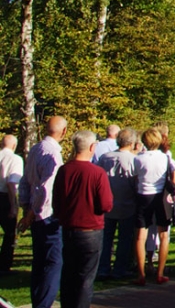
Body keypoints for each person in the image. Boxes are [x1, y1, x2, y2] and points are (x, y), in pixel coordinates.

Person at [53, 130, 113, 308]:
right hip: (90, 230)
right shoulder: (97, 173)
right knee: (85, 278)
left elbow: (57, 201)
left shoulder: (64, 170)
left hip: (69, 229)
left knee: (69, 274)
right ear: (92, 147)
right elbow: (106, 204)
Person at [20, 116, 67, 308]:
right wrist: (32, 212)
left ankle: (38, 301)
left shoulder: (35, 149)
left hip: (37, 213)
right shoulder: (53, 155)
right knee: (52, 262)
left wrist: (26, 208)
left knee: (39, 261)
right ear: (63, 132)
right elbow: (45, 189)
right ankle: (44, 304)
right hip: (46, 215)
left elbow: (26, 181)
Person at [134, 128, 175, 285]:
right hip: (160, 196)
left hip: (143, 195)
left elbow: (136, 177)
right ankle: (160, 272)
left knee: (140, 237)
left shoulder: (138, 158)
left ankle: (141, 274)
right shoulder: (164, 158)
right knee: (164, 235)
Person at [96, 128, 137, 281]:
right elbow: (135, 182)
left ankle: (103, 268)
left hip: (108, 202)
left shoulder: (105, 158)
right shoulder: (133, 160)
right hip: (126, 202)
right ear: (132, 143)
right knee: (124, 238)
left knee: (106, 238)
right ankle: (120, 268)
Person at [0, 134, 24, 275]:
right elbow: (11, 183)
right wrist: (14, 205)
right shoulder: (15, 159)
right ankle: (4, 265)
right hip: (4, 197)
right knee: (9, 233)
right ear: (14, 146)